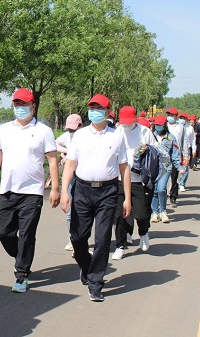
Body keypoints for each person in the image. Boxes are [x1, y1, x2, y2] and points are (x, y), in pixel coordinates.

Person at [0, 88, 60, 293]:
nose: (20, 108)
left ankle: (21, 274)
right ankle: (21, 255)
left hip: (32, 192)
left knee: (27, 234)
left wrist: (55, 188)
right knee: (2, 230)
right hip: (8, 190)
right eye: (17, 104)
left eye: (24, 104)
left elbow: (52, 160)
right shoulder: (4, 130)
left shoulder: (44, 131)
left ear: (33, 106)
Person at [60, 93, 131, 302]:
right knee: (77, 238)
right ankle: (86, 265)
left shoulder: (117, 136)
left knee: (102, 239)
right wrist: (64, 192)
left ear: (108, 111)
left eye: (99, 108)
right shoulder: (80, 135)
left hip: (107, 192)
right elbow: (70, 165)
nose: (94, 111)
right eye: (92, 108)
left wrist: (127, 197)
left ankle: (96, 283)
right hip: (82, 190)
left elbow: (124, 167)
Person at [111, 106, 158, 261]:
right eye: (123, 121)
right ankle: (120, 246)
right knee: (119, 215)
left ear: (135, 118)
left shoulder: (144, 132)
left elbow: (157, 151)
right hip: (120, 179)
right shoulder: (116, 132)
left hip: (139, 180)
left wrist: (147, 150)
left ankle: (143, 233)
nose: (126, 124)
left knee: (141, 214)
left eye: (129, 121)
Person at [53, 113, 84, 251]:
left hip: (84, 176)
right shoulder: (67, 136)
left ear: (81, 126)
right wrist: (68, 152)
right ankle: (72, 238)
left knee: (84, 209)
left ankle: (82, 237)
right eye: (69, 129)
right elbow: (54, 144)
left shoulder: (86, 136)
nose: (71, 132)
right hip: (71, 175)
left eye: (74, 129)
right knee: (71, 208)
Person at [150, 115, 184, 223]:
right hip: (153, 167)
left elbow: (175, 155)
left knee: (161, 188)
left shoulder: (171, 138)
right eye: (156, 125)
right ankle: (155, 212)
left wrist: (179, 167)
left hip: (166, 167)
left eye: (160, 125)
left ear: (165, 125)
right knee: (154, 190)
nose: (158, 127)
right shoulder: (151, 136)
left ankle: (163, 211)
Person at [165, 107, 189, 208]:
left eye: (171, 115)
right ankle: (163, 195)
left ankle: (173, 197)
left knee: (175, 178)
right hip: (165, 156)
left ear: (176, 116)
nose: (169, 117)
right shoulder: (164, 125)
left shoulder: (181, 127)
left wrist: (186, 155)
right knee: (163, 177)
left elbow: (184, 141)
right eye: (168, 115)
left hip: (176, 156)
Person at [178, 112, 196, 192]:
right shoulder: (176, 127)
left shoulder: (190, 128)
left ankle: (182, 183)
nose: (182, 119)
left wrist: (194, 150)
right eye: (180, 118)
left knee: (185, 167)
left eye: (183, 118)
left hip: (186, 149)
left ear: (186, 119)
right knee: (177, 168)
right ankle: (176, 183)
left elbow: (193, 140)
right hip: (177, 150)